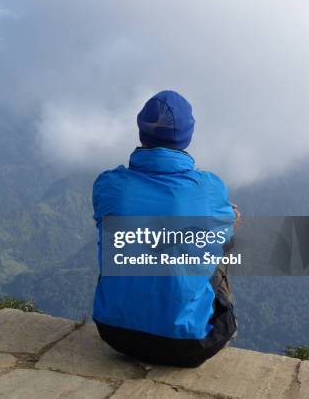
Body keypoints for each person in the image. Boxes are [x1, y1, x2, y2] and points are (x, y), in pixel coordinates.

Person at [92, 90, 239, 367]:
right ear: (188, 135)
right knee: (222, 243)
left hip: (113, 332)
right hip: (191, 344)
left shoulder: (108, 184)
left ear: (141, 131)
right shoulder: (209, 187)